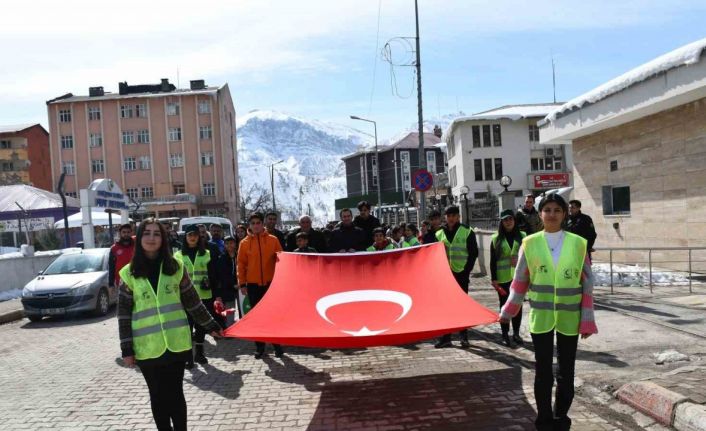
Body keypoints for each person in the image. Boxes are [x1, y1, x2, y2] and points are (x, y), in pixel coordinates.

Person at [500, 193, 597, 431]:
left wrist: (587, 319)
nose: (552, 214)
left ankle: (560, 417)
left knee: (566, 372)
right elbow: (520, 281)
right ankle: (543, 420)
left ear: (564, 214)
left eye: (557, 210)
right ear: (540, 213)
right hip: (541, 318)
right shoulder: (529, 243)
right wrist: (509, 310)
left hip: (570, 318)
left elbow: (587, 284)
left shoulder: (578, 243)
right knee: (543, 372)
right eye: (547, 210)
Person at [117, 219, 222, 431]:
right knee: (157, 396)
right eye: (147, 233)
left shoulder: (175, 267)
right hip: (147, 347)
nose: (152, 238)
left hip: (176, 344)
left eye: (157, 234)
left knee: (175, 394)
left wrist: (212, 325)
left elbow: (192, 302)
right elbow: (123, 315)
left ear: (163, 239)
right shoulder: (129, 273)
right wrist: (126, 349)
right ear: (140, 238)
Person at [237, 212, 284, 358]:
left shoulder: (273, 240)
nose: (256, 226)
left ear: (262, 224)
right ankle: (260, 347)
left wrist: (281, 280)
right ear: (249, 225)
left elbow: (281, 260)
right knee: (257, 317)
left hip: (271, 284)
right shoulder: (244, 243)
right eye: (253, 223)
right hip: (253, 285)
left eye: (258, 223)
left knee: (273, 316)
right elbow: (241, 265)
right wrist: (242, 284)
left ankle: (277, 345)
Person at [174, 225, 220, 367]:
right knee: (187, 327)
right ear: (185, 237)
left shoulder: (207, 253)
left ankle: (199, 354)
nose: (192, 237)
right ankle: (188, 357)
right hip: (185, 298)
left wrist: (217, 295)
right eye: (190, 235)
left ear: (199, 237)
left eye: (195, 235)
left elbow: (214, 275)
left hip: (204, 296)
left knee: (201, 327)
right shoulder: (178, 256)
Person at [435, 205, 479, 348]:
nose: (451, 218)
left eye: (454, 215)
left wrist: (466, 270)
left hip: (461, 274)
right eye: (449, 216)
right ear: (445, 217)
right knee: (446, 306)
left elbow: (473, 253)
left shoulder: (467, 231)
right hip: (445, 275)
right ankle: (446, 337)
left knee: (462, 306)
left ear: (458, 217)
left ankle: (464, 337)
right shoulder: (439, 233)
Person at [490, 209, 526, 347]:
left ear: (514, 220)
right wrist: (494, 279)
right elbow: (493, 261)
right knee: (504, 306)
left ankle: (516, 333)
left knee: (518, 306)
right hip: (502, 278)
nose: (508, 222)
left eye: (510, 219)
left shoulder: (523, 236)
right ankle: (505, 334)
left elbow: (528, 256)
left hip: (519, 277)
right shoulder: (496, 239)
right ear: (501, 222)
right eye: (505, 220)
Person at [216, 236, 239, 326]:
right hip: (228, 289)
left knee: (243, 308)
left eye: (231, 243)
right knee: (230, 311)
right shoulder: (221, 258)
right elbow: (222, 275)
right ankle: (229, 328)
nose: (229, 245)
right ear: (224, 245)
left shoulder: (240, 255)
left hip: (241, 287)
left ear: (235, 244)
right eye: (227, 243)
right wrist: (232, 285)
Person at [109, 224, 135, 290]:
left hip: (137, 281)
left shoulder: (137, 245)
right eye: (124, 232)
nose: (126, 234)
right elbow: (111, 267)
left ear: (131, 233)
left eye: (128, 232)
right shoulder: (114, 248)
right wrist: (111, 284)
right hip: (121, 283)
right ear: (120, 233)